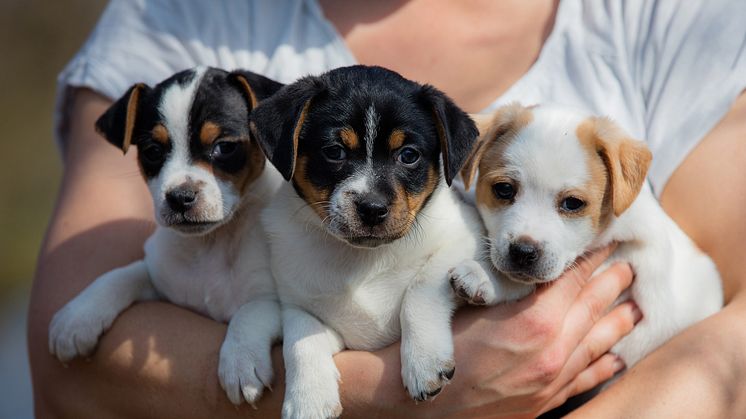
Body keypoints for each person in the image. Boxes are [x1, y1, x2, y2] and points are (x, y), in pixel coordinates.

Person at [28, 0, 746, 417]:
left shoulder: (671, 16)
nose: (371, 196)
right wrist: (400, 400)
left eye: (410, 161)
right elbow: (64, 367)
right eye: (333, 155)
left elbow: (727, 330)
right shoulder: (176, 15)